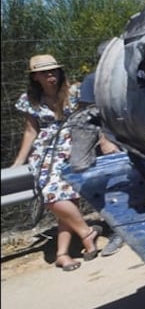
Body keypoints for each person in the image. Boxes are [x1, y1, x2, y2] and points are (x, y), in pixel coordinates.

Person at [8, 54, 102, 271]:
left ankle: (62, 254)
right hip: (45, 152)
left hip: (74, 146)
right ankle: (87, 233)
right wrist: (18, 162)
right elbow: (31, 131)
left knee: (67, 200)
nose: (50, 75)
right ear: (35, 77)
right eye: (44, 72)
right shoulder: (29, 100)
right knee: (53, 197)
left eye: (53, 70)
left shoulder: (75, 91)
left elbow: (92, 116)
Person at [69, 70, 126, 256]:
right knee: (110, 187)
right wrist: (105, 140)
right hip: (110, 139)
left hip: (131, 134)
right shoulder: (93, 80)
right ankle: (119, 230)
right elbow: (90, 114)